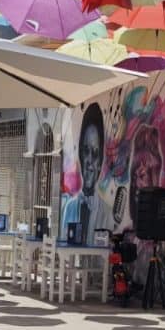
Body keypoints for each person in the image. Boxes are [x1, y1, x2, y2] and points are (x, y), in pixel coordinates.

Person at [61, 103, 108, 243]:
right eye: (86, 151)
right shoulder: (69, 207)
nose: (89, 161)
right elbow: (63, 242)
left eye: (95, 153)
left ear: (100, 163)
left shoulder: (106, 212)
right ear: (80, 155)